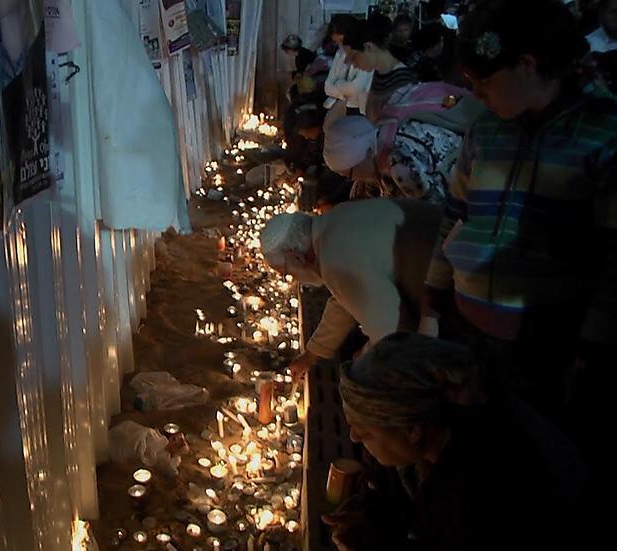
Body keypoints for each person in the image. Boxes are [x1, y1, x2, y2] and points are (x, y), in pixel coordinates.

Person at [420, 0, 614, 415]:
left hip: (545, 341)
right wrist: (433, 299)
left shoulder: (602, 133)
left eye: (483, 80)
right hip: (465, 324)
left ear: (527, 64)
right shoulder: (487, 129)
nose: (475, 93)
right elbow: (455, 214)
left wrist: (590, 350)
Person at [322, 332, 585, 551]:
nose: (353, 437)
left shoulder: (486, 485)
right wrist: (375, 515)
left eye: (364, 431)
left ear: (412, 428)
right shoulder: (448, 422)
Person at [259, 199, 443, 377]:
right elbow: (345, 300)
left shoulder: (334, 259)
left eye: (287, 272)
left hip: (453, 288)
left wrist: (363, 358)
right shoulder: (337, 218)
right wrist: (311, 355)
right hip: (451, 240)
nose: (293, 279)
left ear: (298, 258)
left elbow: (392, 334)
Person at [323, 113, 461, 205]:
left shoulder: (398, 165)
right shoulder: (385, 132)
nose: (354, 179)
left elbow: (433, 208)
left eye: (349, 175)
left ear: (365, 155)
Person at [343, 14, 420, 122]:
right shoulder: (380, 75)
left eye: (353, 57)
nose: (353, 64)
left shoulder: (403, 82)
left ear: (369, 47)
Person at [324, 15, 374, 118]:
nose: (341, 45)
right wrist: (343, 91)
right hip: (339, 105)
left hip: (360, 108)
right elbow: (327, 86)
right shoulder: (340, 53)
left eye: (342, 41)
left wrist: (337, 84)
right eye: (337, 42)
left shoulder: (365, 54)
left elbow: (355, 87)